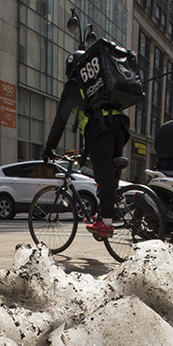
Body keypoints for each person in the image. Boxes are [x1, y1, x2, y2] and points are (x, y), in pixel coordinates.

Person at [42, 50, 131, 238]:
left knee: (103, 175)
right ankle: (104, 213)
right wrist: (84, 155)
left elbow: (61, 119)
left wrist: (49, 148)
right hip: (119, 126)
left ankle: (105, 223)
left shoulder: (76, 84)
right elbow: (92, 124)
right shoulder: (97, 86)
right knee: (110, 177)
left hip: (103, 128)